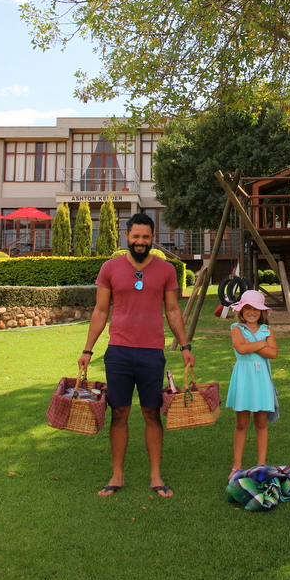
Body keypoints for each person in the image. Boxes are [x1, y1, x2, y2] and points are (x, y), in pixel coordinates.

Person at [77, 212, 195, 497]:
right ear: (127, 237)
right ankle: (117, 475)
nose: (140, 241)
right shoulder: (110, 268)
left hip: (151, 352)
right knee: (119, 412)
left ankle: (156, 476)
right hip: (118, 352)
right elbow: (101, 311)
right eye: (136, 236)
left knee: (151, 412)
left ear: (153, 238)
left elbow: (173, 310)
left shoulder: (166, 270)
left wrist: (185, 346)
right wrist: (87, 350)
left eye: (146, 237)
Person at [225, 289, 278, 480]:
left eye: (256, 309)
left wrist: (253, 345)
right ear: (241, 310)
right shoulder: (236, 328)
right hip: (244, 379)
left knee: (261, 422)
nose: (252, 312)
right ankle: (237, 466)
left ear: (262, 311)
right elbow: (241, 348)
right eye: (248, 308)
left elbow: (273, 353)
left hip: (261, 380)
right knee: (241, 423)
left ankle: (261, 465)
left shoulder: (267, 330)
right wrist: (262, 344)